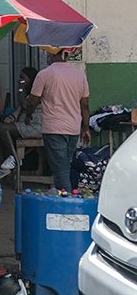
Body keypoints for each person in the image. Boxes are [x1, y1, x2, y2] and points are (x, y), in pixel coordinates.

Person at [25, 50, 90, 190]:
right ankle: (65, 196)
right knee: (65, 166)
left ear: (54, 55)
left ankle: (67, 203)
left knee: (61, 170)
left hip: (54, 128)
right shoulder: (80, 75)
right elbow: (84, 105)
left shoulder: (44, 74)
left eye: (49, 53)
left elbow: (32, 101)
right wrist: (85, 128)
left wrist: (27, 115)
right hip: (73, 129)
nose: (47, 56)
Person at [0, 67, 42, 151]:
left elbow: (26, 105)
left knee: (2, 129)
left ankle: (12, 156)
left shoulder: (37, 92)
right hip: (25, 124)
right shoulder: (27, 94)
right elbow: (19, 109)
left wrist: (21, 90)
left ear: (30, 79)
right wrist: (12, 117)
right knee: (0, 128)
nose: (20, 80)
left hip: (35, 126)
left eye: (22, 78)